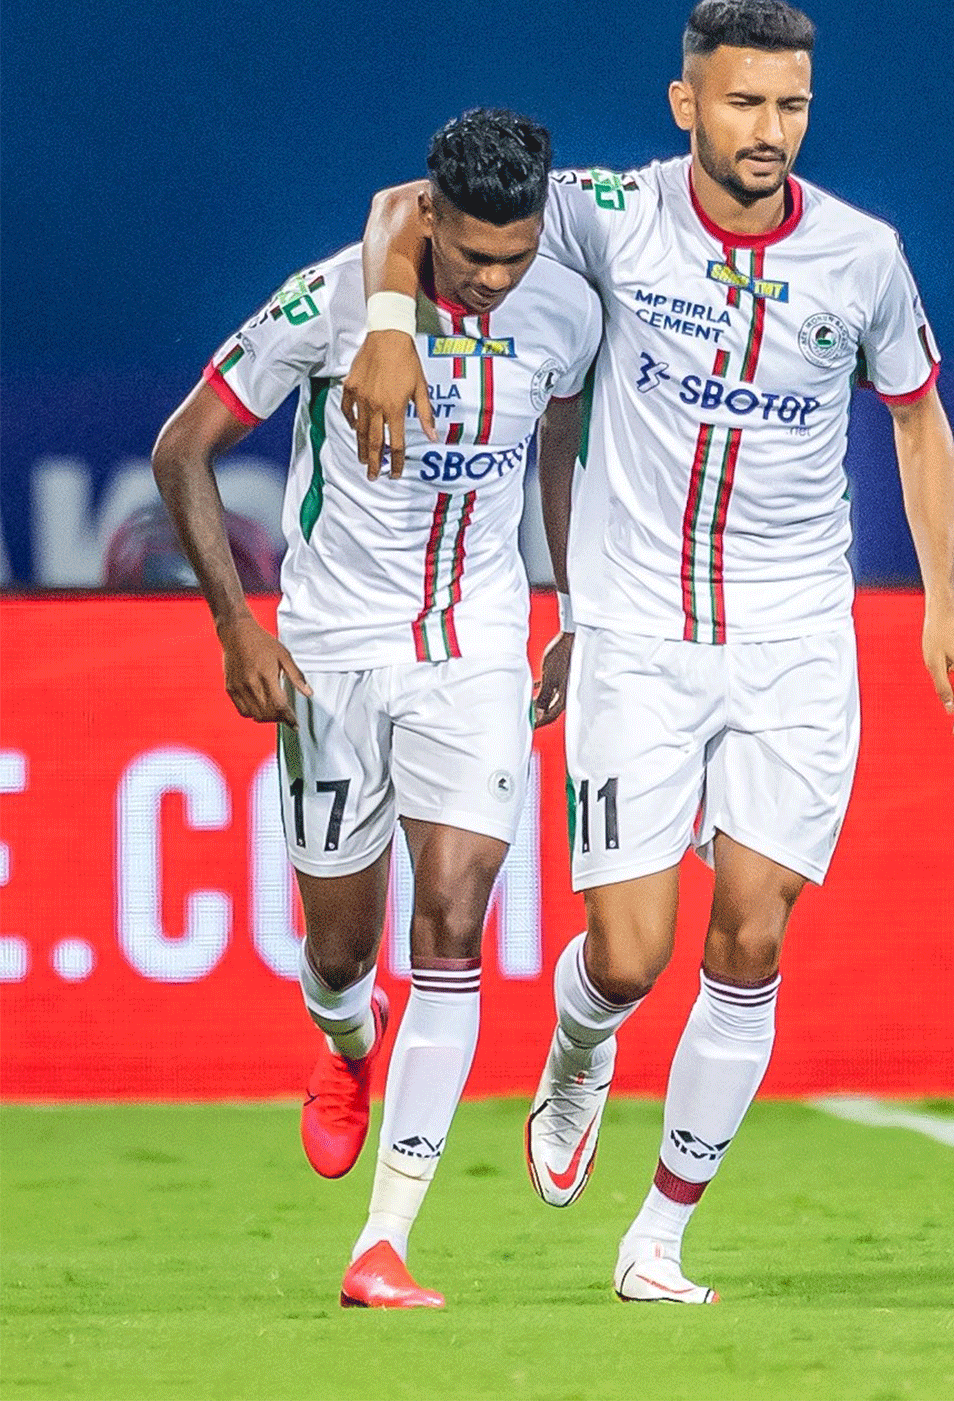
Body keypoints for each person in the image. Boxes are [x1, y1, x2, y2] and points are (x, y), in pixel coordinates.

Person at [344, 0, 954, 1304]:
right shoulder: (610, 213)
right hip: (637, 636)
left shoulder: (864, 257)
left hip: (797, 637)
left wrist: (942, 603)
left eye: (792, 105)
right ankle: (582, 1050)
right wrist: (387, 326)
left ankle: (661, 1238)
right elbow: (409, 208)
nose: (770, 131)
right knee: (630, 955)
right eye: (744, 102)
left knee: (752, 937)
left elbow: (920, 420)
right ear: (686, 101)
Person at [151, 108, 601, 1309]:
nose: (498, 282)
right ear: (429, 219)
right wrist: (236, 624)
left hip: (479, 650)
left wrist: (570, 605)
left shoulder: (566, 309)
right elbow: (180, 449)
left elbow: (563, 439)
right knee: (340, 951)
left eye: (517, 256)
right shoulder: (330, 304)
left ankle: (383, 1239)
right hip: (334, 651)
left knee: (455, 919)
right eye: (474, 259)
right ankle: (349, 1041)